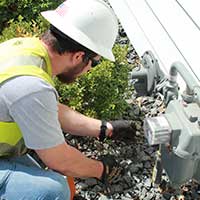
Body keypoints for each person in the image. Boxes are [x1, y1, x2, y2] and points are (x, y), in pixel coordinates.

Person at [0, 0, 136, 199]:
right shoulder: (31, 87)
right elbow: (61, 160)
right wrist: (101, 170)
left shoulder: (24, 50)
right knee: (53, 191)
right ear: (79, 56)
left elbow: (47, 110)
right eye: (95, 63)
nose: (90, 70)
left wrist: (104, 128)